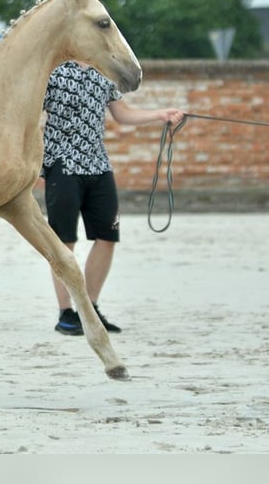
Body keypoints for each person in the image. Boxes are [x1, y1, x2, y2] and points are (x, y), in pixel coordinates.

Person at [41, 60, 184, 335]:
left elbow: (122, 113)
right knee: (63, 242)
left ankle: (90, 309)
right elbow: (28, 112)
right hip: (62, 165)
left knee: (108, 237)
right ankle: (66, 313)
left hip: (99, 166)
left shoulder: (104, 70)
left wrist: (160, 115)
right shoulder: (52, 71)